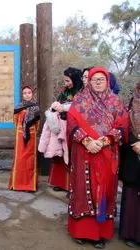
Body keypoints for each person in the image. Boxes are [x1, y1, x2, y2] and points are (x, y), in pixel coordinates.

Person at [67, 66, 128, 249]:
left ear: (107, 81)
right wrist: (86, 141)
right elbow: (71, 123)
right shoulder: (79, 100)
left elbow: (123, 126)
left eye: (102, 79)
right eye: (95, 79)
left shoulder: (115, 102)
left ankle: (99, 234)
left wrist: (106, 140)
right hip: (84, 153)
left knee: (103, 191)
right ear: (89, 81)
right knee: (82, 191)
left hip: (106, 154)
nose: (99, 82)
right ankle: (80, 231)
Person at [48, 67, 83, 192]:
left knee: (71, 153)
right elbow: (58, 101)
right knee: (61, 152)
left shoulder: (82, 92)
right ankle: (61, 183)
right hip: (61, 124)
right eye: (65, 80)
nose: (66, 83)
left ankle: (72, 185)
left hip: (74, 127)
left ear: (75, 79)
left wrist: (65, 108)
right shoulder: (64, 91)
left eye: (68, 80)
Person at [119, 81, 140, 248]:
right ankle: (130, 233)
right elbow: (124, 127)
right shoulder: (131, 105)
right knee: (132, 193)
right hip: (134, 153)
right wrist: (134, 143)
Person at [8, 86, 40, 192]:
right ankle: (17, 184)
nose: (27, 95)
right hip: (20, 136)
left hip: (31, 137)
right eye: (25, 93)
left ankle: (29, 185)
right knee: (20, 159)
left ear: (32, 94)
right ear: (22, 95)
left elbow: (37, 123)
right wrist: (22, 131)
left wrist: (30, 131)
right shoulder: (18, 107)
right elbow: (16, 121)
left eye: (29, 93)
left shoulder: (36, 108)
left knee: (30, 160)